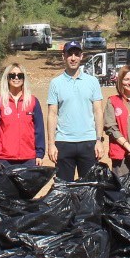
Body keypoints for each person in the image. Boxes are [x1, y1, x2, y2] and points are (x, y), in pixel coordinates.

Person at [45, 41, 106, 181]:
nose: (73, 58)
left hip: (89, 142)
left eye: (76, 54)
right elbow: (52, 114)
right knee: (64, 189)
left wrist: (99, 140)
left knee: (90, 188)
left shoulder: (92, 82)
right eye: (69, 54)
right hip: (64, 143)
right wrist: (51, 144)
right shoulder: (55, 83)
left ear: (81, 56)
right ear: (63, 56)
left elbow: (98, 111)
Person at [0, 64, 45, 168]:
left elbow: (39, 129)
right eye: (12, 75)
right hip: (3, 159)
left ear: (24, 78)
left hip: (28, 158)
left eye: (20, 75)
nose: (16, 78)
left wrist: (39, 154)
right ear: (7, 78)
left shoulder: (33, 101)